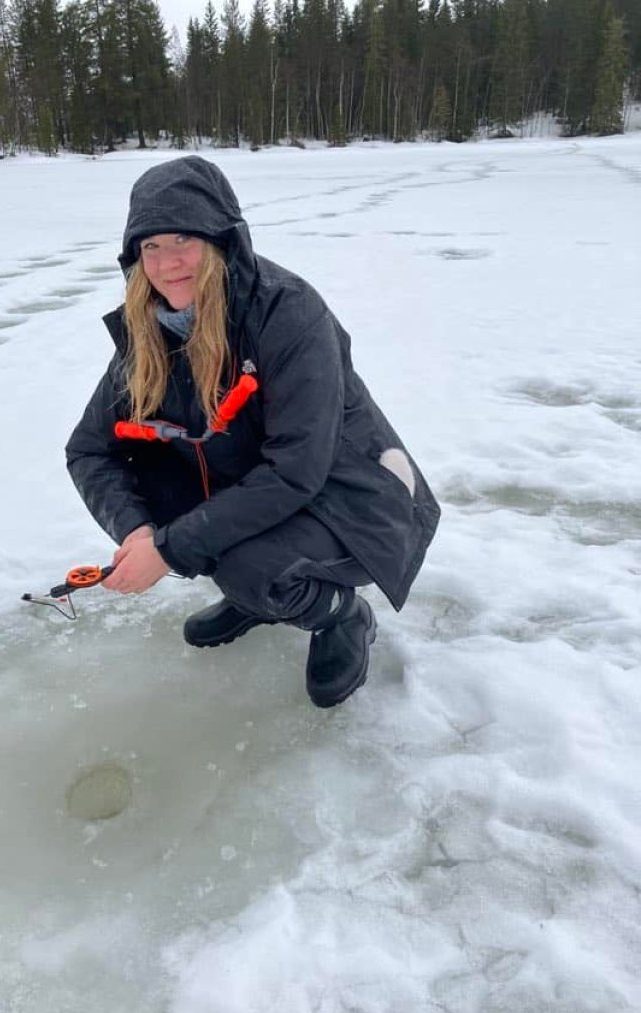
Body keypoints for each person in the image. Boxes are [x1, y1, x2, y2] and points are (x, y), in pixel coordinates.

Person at [66, 156, 440, 708]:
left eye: (182, 240)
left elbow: (297, 470)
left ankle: (340, 614)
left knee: (245, 565)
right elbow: (88, 450)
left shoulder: (288, 313)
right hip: (256, 487)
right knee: (170, 496)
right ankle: (257, 594)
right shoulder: (151, 331)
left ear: (221, 242)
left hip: (354, 499)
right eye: (150, 247)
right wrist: (140, 533)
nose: (168, 264)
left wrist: (171, 551)